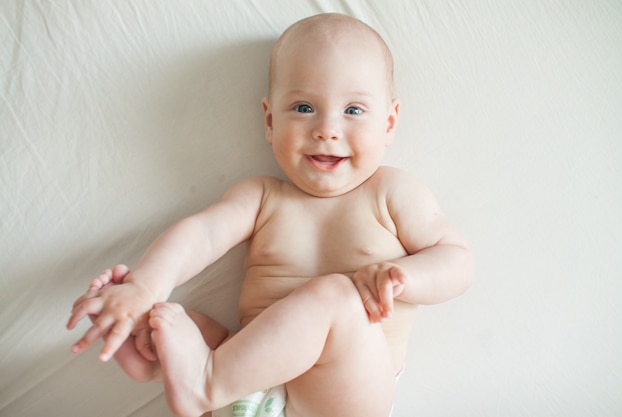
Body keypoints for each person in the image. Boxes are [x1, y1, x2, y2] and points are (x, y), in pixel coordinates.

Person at [67, 13, 473, 417]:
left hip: (345, 394)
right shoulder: (261, 197)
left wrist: (406, 278)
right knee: (167, 317)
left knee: (336, 296)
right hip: (252, 387)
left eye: (353, 110)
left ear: (388, 123)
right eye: (303, 107)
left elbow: (457, 259)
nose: (327, 129)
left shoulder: (392, 192)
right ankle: (152, 353)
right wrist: (144, 287)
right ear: (269, 120)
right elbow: (202, 235)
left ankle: (204, 384)